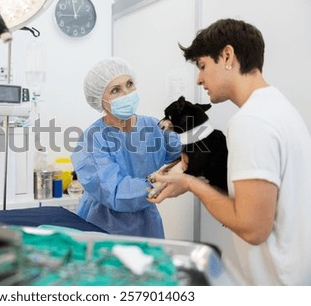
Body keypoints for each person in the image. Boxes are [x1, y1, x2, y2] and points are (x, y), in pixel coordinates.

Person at [147, 18, 311, 285]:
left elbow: (253, 227)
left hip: (277, 285)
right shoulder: (280, 109)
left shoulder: (251, 122)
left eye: (202, 66)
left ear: (227, 56)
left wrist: (189, 183)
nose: (199, 79)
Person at [70, 57, 181, 238]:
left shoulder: (154, 126)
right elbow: (114, 192)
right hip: (102, 225)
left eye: (129, 84)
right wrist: (163, 182)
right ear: (100, 100)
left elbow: (183, 154)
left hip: (147, 222)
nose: (126, 93)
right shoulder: (92, 140)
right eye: (115, 90)